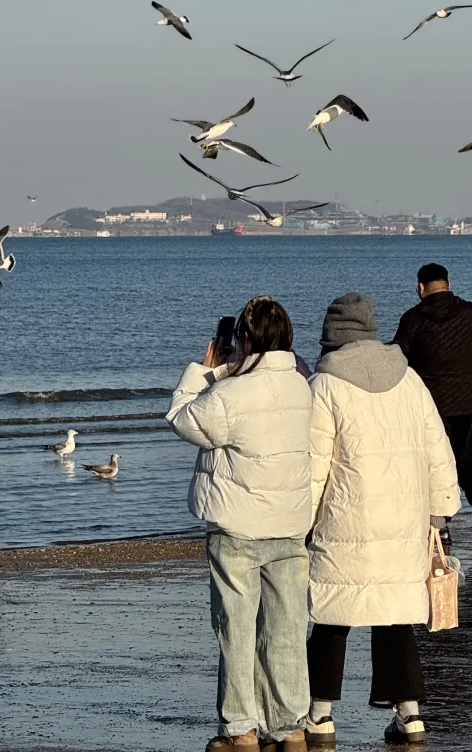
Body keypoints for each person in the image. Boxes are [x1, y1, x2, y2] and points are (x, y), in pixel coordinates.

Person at [306, 292, 460, 746]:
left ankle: (320, 715)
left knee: (332, 616)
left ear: (331, 338)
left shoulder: (325, 385)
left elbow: (315, 465)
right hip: (404, 521)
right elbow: (438, 448)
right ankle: (409, 715)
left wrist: (302, 520)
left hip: (345, 519)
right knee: (396, 617)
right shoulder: (409, 380)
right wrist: (441, 510)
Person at [166, 296, 312, 752]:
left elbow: (181, 419)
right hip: (289, 524)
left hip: (237, 528)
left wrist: (204, 370)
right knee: (287, 632)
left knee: (237, 631)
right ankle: (289, 727)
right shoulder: (302, 386)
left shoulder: (228, 393)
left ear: (244, 340)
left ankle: (241, 730)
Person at [394, 263, 472, 541]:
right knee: (471, 455)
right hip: (466, 397)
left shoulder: (412, 320)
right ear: (448, 284)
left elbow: (398, 358)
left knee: (435, 463)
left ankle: (442, 526)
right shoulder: (471, 313)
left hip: (430, 404)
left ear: (420, 288)